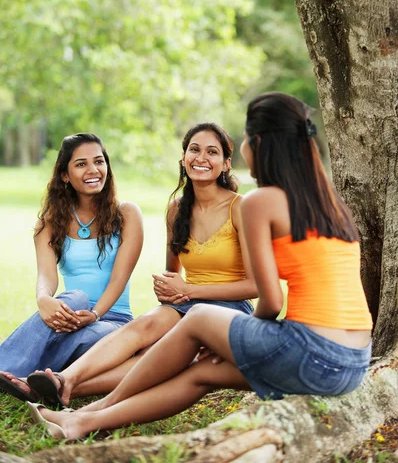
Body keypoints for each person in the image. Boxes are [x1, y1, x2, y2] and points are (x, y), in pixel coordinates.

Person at [27, 93, 372, 439]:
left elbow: (271, 303)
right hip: (352, 363)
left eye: (244, 141)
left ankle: (91, 406)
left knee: (201, 319)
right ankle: (81, 421)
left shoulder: (257, 203)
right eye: (194, 150)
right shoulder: (329, 205)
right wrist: (227, 335)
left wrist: (230, 335)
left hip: (311, 351)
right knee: (201, 372)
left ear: (259, 143)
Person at [7, 123, 256, 406]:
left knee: (157, 353)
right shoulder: (177, 209)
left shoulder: (241, 207)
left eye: (212, 152)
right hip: (183, 305)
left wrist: (189, 289)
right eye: (194, 149)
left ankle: (58, 384)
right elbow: (172, 274)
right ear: (184, 158)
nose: (201, 158)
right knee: (138, 323)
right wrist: (168, 288)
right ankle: (59, 380)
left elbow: (256, 286)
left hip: (227, 307)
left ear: (225, 164)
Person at [0, 133, 143, 402]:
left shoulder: (127, 215)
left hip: (113, 325)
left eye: (99, 162)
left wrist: (96, 314)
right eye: (81, 164)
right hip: (68, 317)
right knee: (75, 296)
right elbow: (46, 275)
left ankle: (18, 369)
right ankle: (21, 371)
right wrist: (44, 299)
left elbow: (119, 279)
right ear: (65, 175)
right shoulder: (50, 223)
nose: (93, 170)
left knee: (93, 328)